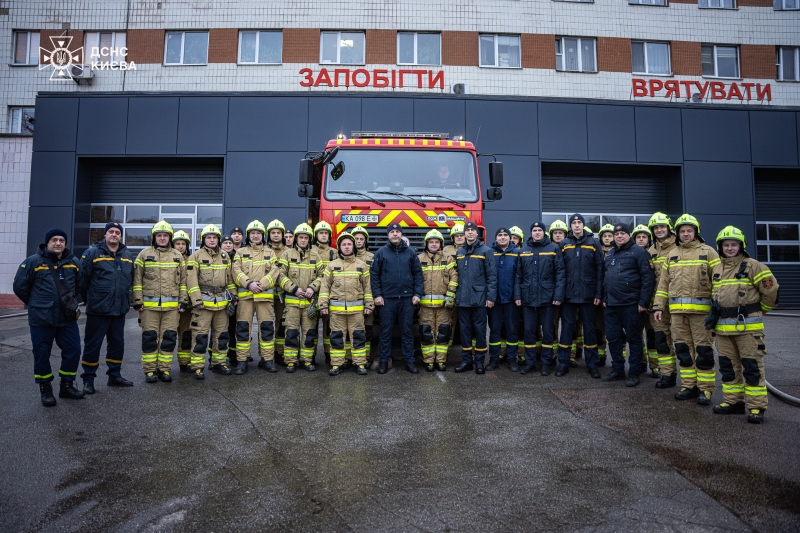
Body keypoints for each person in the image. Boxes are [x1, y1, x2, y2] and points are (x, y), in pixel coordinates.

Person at [710, 226, 778, 424]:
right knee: (728, 368)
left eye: (734, 244)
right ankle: (733, 402)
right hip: (723, 330)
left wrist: (757, 312)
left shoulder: (754, 266)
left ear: (741, 246)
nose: (730, 248)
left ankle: (756, 407)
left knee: (752, 368)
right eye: (726, 245)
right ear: (720, 246)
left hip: (748, 330)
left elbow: (771, 293)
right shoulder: (717, 268)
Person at [653, 214, 720, 405]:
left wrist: (717, 308)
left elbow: (719, 283)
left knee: (703, 351)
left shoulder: (709, 253)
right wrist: (658, 306)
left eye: (689, 231)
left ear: (695, 232)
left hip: (701, 315)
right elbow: (663, 285)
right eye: (682, 231)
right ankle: (688, 385)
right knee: (683, 350)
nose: (686, 234)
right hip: (677, 314)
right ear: (678, 233)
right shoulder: (672, 255)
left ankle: (705, 390)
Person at [14, 228, 85, 406]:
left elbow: (79, 285)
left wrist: (67, 302)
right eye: (54, 240)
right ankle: (45, 389)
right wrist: (37, 303)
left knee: (74, 350)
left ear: (65, 243)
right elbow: (19, 287)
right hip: (41, 318)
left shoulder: (73, 262)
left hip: (66, 318)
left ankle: (66, 386)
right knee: (41, 354)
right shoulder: (32, 262)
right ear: (47, 243)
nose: (58, 243)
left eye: (62, 240)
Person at [78, 221, 135, 392]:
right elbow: (82, 281)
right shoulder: (92, 253)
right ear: (105, 234)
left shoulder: (126, 255)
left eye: (117, 232)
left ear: (120, 235)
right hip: (98, 310)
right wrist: (92, 301)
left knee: (117, 344)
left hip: (119, 310)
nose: (114, 234)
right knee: (93, 345)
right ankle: (88, 379)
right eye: (111, 231)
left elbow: (130, 280)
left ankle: (114, 375)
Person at [130, 221, 186, 383]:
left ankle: (164, 369)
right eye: (159, 235)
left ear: (170, 237)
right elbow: (137, 280)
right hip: (149, 308)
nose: (162, 238)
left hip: (171, 308)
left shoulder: (177, 256)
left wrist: (183, 301)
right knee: (149, 338)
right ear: (154, 237)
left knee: (168, 339)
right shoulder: (143, 254)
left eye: (165, 235)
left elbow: (183, 282)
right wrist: (137, 301)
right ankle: (149, 370)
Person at [601, 223, 656, 387]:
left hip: (631, 305)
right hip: (611, 305)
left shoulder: (639, 252)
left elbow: (648, 278)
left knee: (634, 339)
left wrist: (643, 302)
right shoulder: (610, 253)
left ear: (628, 235)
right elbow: (606, 278)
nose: (619, 236)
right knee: (613, 338)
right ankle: (618, 370)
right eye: (616, 234)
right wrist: (605, 297)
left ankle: (633, 373)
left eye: (622, 233)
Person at [370, 222, 424, 374]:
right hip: (387, 300)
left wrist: (417, 294)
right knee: (385, 332)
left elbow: (418, 274)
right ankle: (383, 362)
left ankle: (410, 362)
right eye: (392, 232)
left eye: (397, 232)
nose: (395, 234)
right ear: (388, 235)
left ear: (401, 234)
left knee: (407, 332)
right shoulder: (381, 253)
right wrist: (377, 295)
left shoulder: (411, 253)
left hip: (407, 300)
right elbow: (374, 275)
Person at [187, 224, 238, 379]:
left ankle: (219, 363)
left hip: (221, 305)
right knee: (200, 336)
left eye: (214, 237)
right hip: (202, 305)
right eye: (208, 237)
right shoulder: (195, 256)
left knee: (221, 336)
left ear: (218, 239)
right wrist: (196, 301)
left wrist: (233, 298)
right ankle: (197, 366)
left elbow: (229, 280)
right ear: (204, 239)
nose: (211, 240)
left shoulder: (225, 256)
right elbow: (191, 281)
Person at [319, 232, 374, 376]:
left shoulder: (361, 266)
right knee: (337, 338)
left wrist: (369, 305)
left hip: (357, 311)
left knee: (358, 337)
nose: (347, 247)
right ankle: (337, 364)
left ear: (354, 246)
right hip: (337, 312)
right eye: (344, 244)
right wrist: (323, 305)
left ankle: (360, 364)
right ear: (339, 247)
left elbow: (367, 287)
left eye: (349, 244)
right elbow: (325, 287)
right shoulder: (331, 266)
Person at [556, 214, 603, 379]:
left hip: (588, 295)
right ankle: (563, 363)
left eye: (579, 223)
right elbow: (560, 272)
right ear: (570, 226)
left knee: (590, 330)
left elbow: (599, 271)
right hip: (568, 295)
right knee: (567, 329)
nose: (576, 225)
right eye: (574, 223)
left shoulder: (593, 243)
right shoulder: (564, 244)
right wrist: (560, 294)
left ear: (583, 225)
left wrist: (598, 293)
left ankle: (592, 365)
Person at [514, 221, 564, 376]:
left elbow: (560, 274)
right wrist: (518, 295)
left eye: (539, 230)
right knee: (529, 332)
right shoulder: (524, 250)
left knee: (548, 332)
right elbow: (518, 276)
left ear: (544, 232)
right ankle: (530, 363)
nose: (537, 232)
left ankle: (546, 364)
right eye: (534, 230)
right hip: (528, 298)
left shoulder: (554, 249)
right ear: (531, 233)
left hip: (547, 299)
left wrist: (557, 295)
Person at [231, 220, 280, 375]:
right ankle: (242, 361)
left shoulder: (270, 252)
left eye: (258, 233)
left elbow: (275, 271)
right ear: (248, 235)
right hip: (246, 298)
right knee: (243, 329)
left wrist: (262, 284)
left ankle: (267, 360)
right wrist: (249, 284)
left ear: (263, 235)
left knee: (266, 329)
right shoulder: (240, 253)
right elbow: (235, 271)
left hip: (264, 298)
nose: (256, 236)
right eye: (253, 233)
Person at [277, 223, 324, 372]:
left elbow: (322, 276)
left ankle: (307, 361)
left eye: (305, 238)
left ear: (309, 239)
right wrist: (294, 289)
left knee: (309, 333)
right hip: (292, 302)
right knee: (291, 332)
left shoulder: (316, 256)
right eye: (300, 237)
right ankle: (290, 361)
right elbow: (280, 276)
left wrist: (312, 287)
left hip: (309, 303)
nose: (303, 240)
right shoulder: (287, 254)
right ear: (296, 238)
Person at [454, 221, 497, 374]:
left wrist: (490, 297)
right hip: (463, 299)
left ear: (477, 233)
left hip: (480, 299)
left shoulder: (486, 251)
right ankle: (466, 361)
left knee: (479, 330)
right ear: (464, 233)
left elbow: (492, 276)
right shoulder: (459, 252)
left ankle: (479, 361)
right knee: (464, 330)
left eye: (473, 230)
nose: (470, 232)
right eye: (468, 230)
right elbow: (457, 277)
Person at [417, 229, 459, 371]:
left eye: (436, 242)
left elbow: (454, 277)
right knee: (426, 333)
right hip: (425, 306)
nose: (434, 244)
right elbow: (415, 280)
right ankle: (429, 361)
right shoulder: (419, 259)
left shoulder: (448, 259)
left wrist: (450, 295)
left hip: (443, 306)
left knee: (443, 333)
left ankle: (441, 361)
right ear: (426, 244)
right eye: (431, 242)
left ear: (440, 244)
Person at [648, 213, 679, 389]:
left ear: (669, 228)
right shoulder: (651, 251)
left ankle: (692, 381)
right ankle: (667, 374)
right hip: (658, 305)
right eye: (656, 228)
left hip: (678, 304)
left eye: (662, 227)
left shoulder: (679, 247)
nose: (659, 230)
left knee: (683, 342)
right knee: (662, 340)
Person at [488, 227, 520, 371]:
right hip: (494, 300)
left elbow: (520, 277)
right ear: (496, 238)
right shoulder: (489, 253)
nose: (502, 237)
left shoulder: (517, 253)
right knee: (494, 329)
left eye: (505, 235)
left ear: (510, 238)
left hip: (511, 299)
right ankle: (494, 359)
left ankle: (512, 359)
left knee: (512, 329)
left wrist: (518, 296)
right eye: (499, 235)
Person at [351, 226, 376, 367]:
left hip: (367, 299)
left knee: (367, 330)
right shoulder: (343, 256)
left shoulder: (372, 257)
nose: (359, 241)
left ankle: (364, 358)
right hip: (350, 301)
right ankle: (350, 358)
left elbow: (376, 279)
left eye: (361, 239)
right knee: (351, 331)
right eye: (356, 239)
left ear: (365, 241)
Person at [312, 221, 336, 360]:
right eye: (321, 233)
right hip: (313, 295)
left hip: (329, 296)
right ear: (316, 235)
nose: (323, 235)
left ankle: (328, 354)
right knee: (312, 327)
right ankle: (311, 355)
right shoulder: (311, 252)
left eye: (325, 233)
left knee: (329, 327)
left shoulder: (335, 253)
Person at [266, 220, 288, 364]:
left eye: (278, 233)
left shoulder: (289, 251)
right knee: (266, 325)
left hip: (281, 295)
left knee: (281, 324)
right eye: (273, 233)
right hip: (265, 294)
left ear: (282, 235)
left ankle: (279, 353)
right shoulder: (262, 250)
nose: (275, 235)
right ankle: (266, 354)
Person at [172, 230, 194, 372]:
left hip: (188, 305)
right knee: (166, 335)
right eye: (177, 244)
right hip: (170, 304)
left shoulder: (192, 259)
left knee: (186, 333)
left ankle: (184, 362)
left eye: (183, 244)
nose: (180, 246)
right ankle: (159, 365)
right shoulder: (166, 259)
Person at [596, 223, 615, 367]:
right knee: (598, 329)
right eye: (605, 236)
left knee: (616, 331)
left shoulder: (618, 251)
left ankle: (618, 359)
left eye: (610, 235)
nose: (607, 238)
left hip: (615, 297)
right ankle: (600, 356)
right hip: (599, 296)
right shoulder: (596, 251)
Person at [220, 235, 238, 365]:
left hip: (235, 299)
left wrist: (234, 298)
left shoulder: (237, 257)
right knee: (219, 329)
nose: (228, 245)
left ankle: (233, 356)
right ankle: (213, 358)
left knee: (233, 329)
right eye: (225, 243)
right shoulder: (217, 257)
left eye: (230, 243)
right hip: (219, 299)